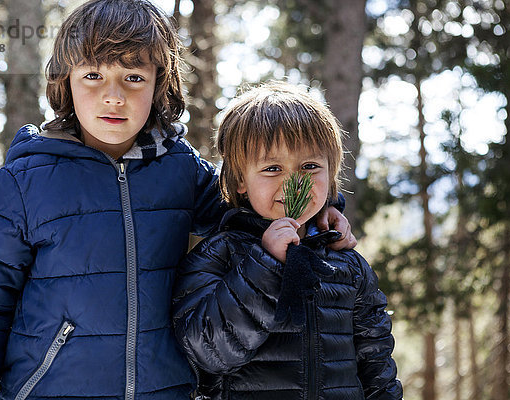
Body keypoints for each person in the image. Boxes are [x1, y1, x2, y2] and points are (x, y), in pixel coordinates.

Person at [0, 2, 355, 399]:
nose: (113, 96)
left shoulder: (180, 169)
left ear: (159, 86)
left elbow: (252, 204)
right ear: (66, 82)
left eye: (133, 78)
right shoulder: (26, 180)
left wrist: (322, 206)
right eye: (93, 76)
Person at [172, 81, 403, 400]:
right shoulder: (220, 253)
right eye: (272, 168)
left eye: (310, 166)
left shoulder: (348, 264)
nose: (294, 182)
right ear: (240, 180)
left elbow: (377, 364)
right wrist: (264, 265)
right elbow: (207, 351)